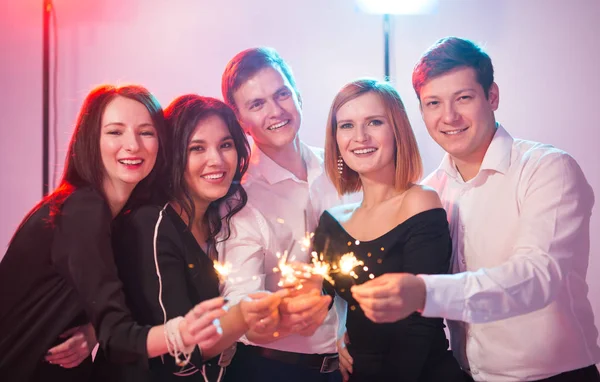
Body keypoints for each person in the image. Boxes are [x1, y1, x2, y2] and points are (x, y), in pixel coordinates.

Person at [349, 37, 600, 381]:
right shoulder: (429, 192)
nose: (449, 116)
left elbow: (538, 275)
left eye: (463, 98)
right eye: (433, 103)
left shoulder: (546, 167)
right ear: (421, 111)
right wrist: (347, 332)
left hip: (556, 375)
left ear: (492, 96)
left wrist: (425, 292)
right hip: (465, 375)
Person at [0, 85, 228, 382]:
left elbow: (108, 307)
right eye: (115, 132)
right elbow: (119, 337)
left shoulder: (127, 216)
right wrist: (184, 332)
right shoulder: (82, 209)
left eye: (146, 132)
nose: (132, 145)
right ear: (90, 139)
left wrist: (94, 329)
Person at [93, 94, 287, 381]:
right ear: (173, 155)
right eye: (197, 148)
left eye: (226, 145)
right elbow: (178, 355)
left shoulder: (220, 217)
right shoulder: (152, 224)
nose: (216, 160)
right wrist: (242, 319)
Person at [311, 78, 464, 382]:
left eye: (374, 122)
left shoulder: (420, 201)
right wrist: (340, 332)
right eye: (346, 126)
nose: (360, 137)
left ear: (397, 131)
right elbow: (327, 299)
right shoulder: (332, 221)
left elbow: (420, 325)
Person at [218, 47, 344, 382]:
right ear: (241, 122)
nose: (276, 111)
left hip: (351, 366)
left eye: (281, 94)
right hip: (272, 369)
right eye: (257, 104)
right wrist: (284, 316)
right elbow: (240, 303)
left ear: (298, 95)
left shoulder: (344, 169)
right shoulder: (238, 200)